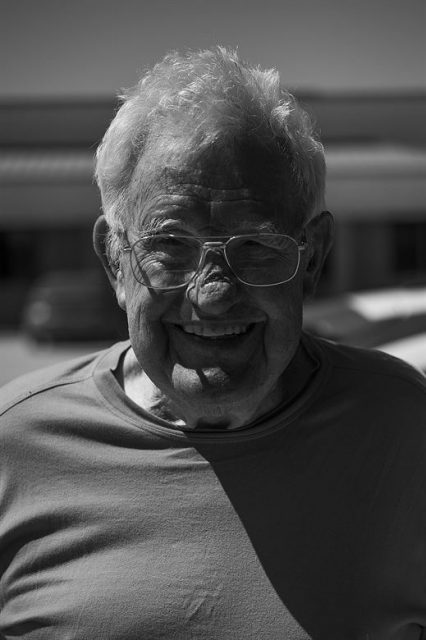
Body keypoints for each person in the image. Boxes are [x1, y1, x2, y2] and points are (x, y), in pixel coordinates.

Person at [0, 47, 425, 640]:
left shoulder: (405, 429)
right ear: (116, 263)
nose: (214, 295)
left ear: (313, 258)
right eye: (171, 246)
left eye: (255, 245)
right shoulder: (15, 445)